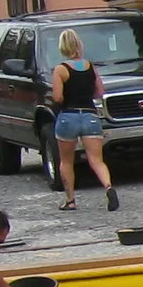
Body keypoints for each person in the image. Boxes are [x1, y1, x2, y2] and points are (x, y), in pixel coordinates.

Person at [49, 28, 118, 212]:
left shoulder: (60, 69)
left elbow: (57, 97)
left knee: (66, 161)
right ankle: (108, 186)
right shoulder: (90, 67)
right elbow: (99, 92)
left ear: (62, 47)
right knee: (96, 160)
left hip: (68, 116)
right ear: (79, 45)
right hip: (90, 116)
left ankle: (70, 199)